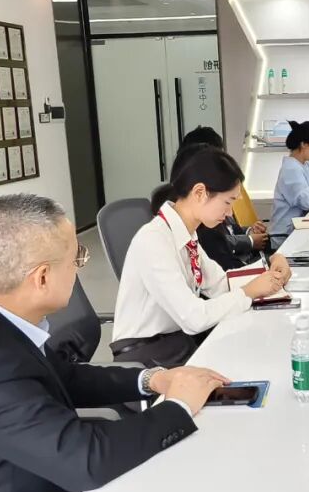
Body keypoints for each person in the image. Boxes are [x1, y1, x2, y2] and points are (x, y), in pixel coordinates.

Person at [0, 194, 228, 492]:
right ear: (42, 278)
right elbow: (86, 460)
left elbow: (63, 376)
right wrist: (178, 407)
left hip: (34, 470)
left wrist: (152, 380)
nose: (79, 269)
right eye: (77, 259)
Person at [113, 146, 290, 367]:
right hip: (147, 355)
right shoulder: (154, 240)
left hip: (176, 341)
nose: (229, 213)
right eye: (227, 202)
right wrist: (249, 291)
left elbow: (220, 284)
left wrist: (271, 265)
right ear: (199, 193)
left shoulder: (186, 233)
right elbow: (194, 318)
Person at [179, 126, 268, 269]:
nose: (230, 213)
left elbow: (217, 276)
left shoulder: (199, 221)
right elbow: (226, 266)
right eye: (227, 202)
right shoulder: (199, 225)